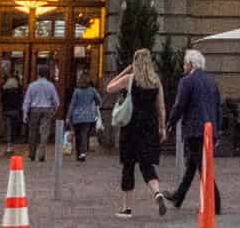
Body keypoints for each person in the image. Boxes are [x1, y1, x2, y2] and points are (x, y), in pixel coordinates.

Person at [105, 48, 170, 218]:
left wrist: (125, 71)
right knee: (147, 165)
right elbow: (161, 107)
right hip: (150, 128)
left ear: (135, 62)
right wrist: (162, 128)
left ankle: (127, 208)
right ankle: (157, 193)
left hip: (131, 128)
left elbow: (109, 87)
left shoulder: (130, 79)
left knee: (128, 166)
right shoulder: (156, 81)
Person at [165, 48, 224, 215]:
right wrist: (217, 131)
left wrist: (171, 122)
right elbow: (218, 108)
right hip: (210, 129)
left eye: (185, 63)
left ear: (190, 64)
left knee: (202, 168)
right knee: (192, 165)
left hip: (195, 130)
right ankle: (178, 196)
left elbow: (180, 105)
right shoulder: (212, 81)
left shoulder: (187, 81)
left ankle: (215, 203)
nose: (183, 66)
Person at [22, 62, 61, 161]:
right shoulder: (51, 86)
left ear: (38, 73)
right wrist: (53, 110)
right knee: (44, 132)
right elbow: (56, 101)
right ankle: (42, 154)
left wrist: (25, 113)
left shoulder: (32, 85)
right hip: (47, 109)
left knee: (32, 132)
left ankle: (32, 153)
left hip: (34, 110)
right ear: (47, 74)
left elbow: (27, 100)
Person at [67, 67, 100, 162]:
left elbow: (72, 104)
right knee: (84, 134)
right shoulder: (92, 90)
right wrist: (95, 104)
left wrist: (68, 117)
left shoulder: (76, 91)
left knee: (77, 135)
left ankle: (78, 153)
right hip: (89, 116)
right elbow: (99, 100)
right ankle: (82, 153)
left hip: (77, 116)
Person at [0, 58, 24, 155]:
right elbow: (21, 94)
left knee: (9, 126)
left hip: (8, 108)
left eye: (4, 66)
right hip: (15, 108)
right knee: (12, 126)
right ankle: (11, 144)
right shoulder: (17, 81)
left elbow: (2, 95)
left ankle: (9, 145)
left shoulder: (5, 83)